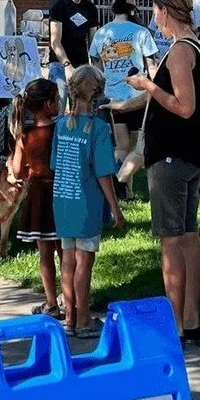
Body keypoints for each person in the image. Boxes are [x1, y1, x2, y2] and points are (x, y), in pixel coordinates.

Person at [127, 0, 200, 344]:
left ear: (166, 10)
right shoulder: (194, 46)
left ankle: (173, 325)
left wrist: (147, 85)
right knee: (189, 237)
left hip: (172, 157)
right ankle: (190, 320)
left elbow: (184, 106)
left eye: (155, 11)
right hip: (188, 155)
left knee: (171, 241)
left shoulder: (179, 50)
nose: (152, 18)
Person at [51, 65, 124, 333]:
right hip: (86, 204)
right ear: (98, 95)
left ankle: (69, 317)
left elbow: (55, 164)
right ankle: (83, 319)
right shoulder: (98, 128)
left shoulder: (60, 126)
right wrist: (116, 208)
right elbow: (104, 173)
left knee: (67, 261)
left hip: (62, 201)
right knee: (85, 262)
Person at [9, 76, 62, 316]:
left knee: (45, 252)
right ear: (49, 104)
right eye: (58, 98)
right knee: (66, 251)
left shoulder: (24, 134)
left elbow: (18, 171)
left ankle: (51, 302)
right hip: (61, 193)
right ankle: (71, 301)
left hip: (39, 196)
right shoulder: (60, 129)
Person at [87, 0, 158, 164]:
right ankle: (127, 181)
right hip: (138, 97)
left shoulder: (101, 33)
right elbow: (152, 66)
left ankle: (124, 189)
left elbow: (96, 65)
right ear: (132, 9)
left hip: (113, 98)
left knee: (122, 149)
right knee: (143, 149)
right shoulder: (142, 32)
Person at [48, 0, 94, 78]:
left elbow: (93, 42)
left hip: (82, 66)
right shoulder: (59, 5)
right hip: (60, 64)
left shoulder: (90, 8)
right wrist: (67, 66)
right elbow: (55, 41)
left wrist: (96, 69)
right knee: (60, 95)